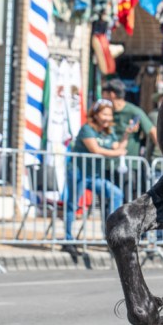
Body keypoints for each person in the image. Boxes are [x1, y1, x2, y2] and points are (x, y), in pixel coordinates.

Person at [64, 99, 126, 243]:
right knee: (72, 204)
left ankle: (112, 233)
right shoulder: (87, 129)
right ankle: (68, 239)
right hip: (78, 173)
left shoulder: (108, 131)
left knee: (116, 193)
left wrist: (127, 134)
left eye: (110, 115)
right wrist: (117, 153)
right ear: (96, 114)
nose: (107, 118)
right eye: (104, 114)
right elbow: (95, 150)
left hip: (94, 175)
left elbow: (119, 148)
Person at [102, 78, 157, 198]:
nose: (102, 96)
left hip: (128, 165)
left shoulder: (134, 111)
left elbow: (153, 132)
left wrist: (161, 156)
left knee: (127, 199)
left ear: (112, 94)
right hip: (108, 163)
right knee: (107, 199)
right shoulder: (105, 112)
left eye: (104, 93)